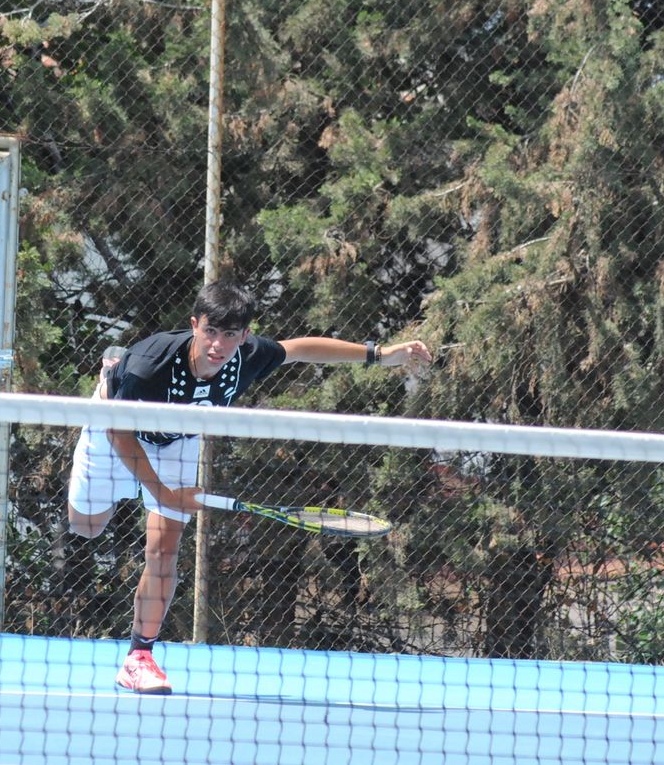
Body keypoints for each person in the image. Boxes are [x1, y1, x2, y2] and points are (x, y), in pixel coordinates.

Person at [66, 280, 433, 694]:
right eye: (209, 331)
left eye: (229, 334)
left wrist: (380, 355)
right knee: (87, 527)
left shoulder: (248, 357)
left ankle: (138, 658)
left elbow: (300, 349)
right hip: (114, 430)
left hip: (177, 441)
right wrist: (165, 495)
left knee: (164, 549)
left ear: (243, 335)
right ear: (194, 325)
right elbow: (121, 432)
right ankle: (108, 371)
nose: (217, 344)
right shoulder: (149, 367)